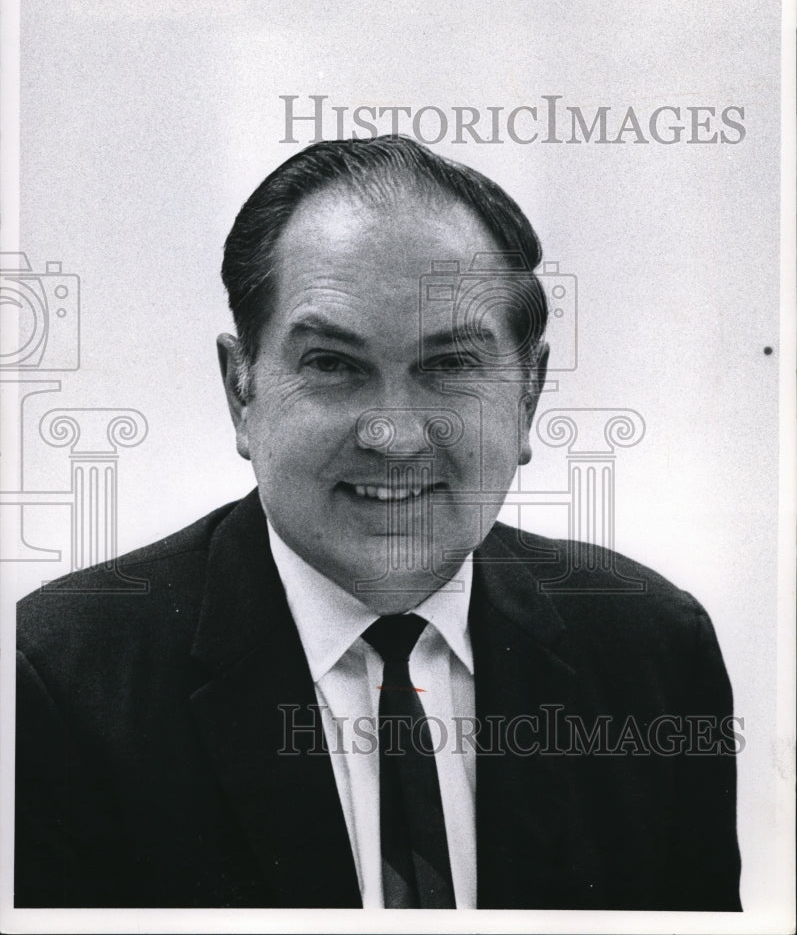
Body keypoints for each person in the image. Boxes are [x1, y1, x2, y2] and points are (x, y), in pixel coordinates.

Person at [15, 136, 741, 910]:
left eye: (451, 366)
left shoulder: (655, 651)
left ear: (527, 400)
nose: (393, 435)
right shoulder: (53, 682)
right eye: (332, 364)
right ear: (241, 391)